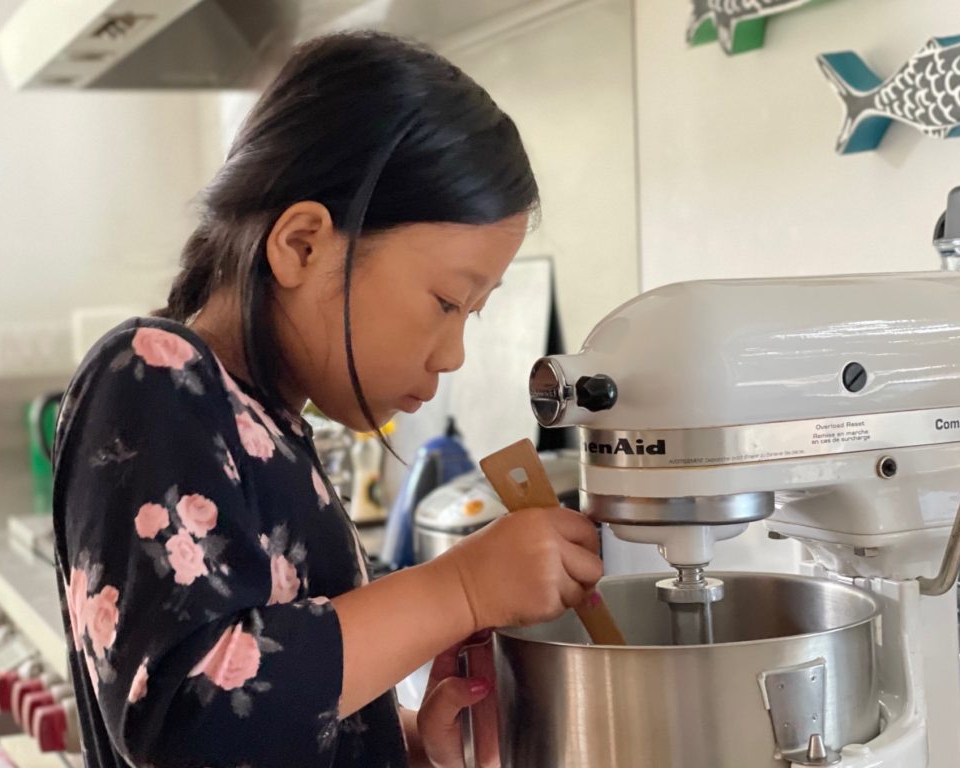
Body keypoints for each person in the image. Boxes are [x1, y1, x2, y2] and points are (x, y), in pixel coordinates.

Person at [52, 31, 603, 768]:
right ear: (302, 245)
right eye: (446, 301)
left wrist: (404, 746)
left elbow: (281, 729)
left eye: (472, 314)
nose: (454, 353)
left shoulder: (272, 425)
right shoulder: (153, 376)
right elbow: (193, 724)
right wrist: (462, 588)